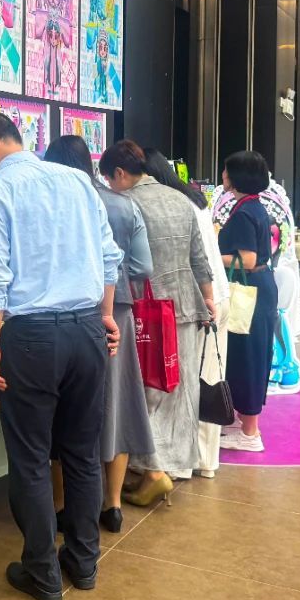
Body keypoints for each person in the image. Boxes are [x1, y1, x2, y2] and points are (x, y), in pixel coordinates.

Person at [0, 110, 122, 600]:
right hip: (87, 329)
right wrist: (106, 315)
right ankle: (84, 561)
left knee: (31, 459)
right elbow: (109, 256)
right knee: (81, 451)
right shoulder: (77, 181)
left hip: (31, 337)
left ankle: (42, 572)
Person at [43, 136, 153, 533]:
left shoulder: (50, 204)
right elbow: (143, 266)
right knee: (116, 404)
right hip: (116, 311)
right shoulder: (122, 204)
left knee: (64, 408)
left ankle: (61, 505)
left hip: (64, 315)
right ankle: (113, 504)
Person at [100, 141, 214, 507]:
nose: (109, 186)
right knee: (177, 391)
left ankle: (151, 471)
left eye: (109, 179)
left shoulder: (127, 204)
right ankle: (170, 467)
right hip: (187, 306)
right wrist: (209, 299)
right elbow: (198, 258)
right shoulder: (181, 199)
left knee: (143, 392)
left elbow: (126, 263)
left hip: (146, 309)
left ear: (120, 173)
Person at [142, 148, 230, 480]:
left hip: (197, 300)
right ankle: (205, 461)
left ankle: (180, 466)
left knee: (187, 386)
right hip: (216, 295)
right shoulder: (193, 199)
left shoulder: (170, 204)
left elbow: (193, 258)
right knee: (206, 380)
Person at [217, 151, 279, 452]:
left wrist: (211, 255)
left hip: (250, 291)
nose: (223, 175)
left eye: (227, 170)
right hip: (257, 289)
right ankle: (240, 421)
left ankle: (250, 432)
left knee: (249, 356)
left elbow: (248, 259)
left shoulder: (244, 212)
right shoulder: (252, 206)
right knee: (244, 354)